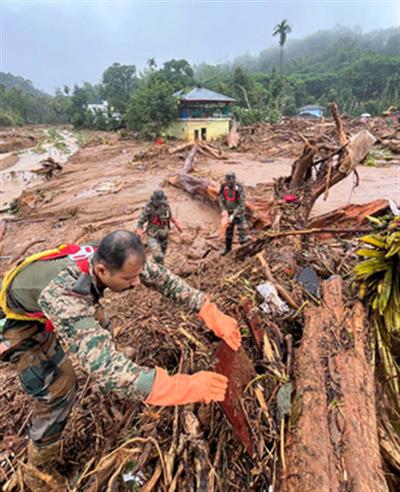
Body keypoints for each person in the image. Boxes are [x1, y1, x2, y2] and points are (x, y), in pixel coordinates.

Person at [0, 230, 240, 490]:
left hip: (56, 301)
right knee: (59, 387)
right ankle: (39, 469)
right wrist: (182, 387)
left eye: (137, 275)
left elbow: (161, 278)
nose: (137, 283)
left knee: (100, 324)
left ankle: (109, 358)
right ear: (102, 271)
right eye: (129, 278)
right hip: (18, 324)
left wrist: (208, 310)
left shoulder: (112, 256)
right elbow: (107, 370)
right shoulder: (65, 294)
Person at [135, 190, 181, 265]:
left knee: (163, 253)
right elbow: (141, 220)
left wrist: (176, 223)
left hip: (164, 233)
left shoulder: (165, 205)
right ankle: (157, 268)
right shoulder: (149, 208)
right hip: (153, 234)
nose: (160, 203)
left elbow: (170, 216)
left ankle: (159, 266)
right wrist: (139, 229)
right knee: (158, 255)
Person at [218, 172, 248, 256]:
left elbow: (241, 204)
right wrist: (223, 210)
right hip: (228, 212)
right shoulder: (223, 186)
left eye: (231, 182)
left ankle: (245, 253)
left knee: (242, 234)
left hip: (238, 214)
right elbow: (220, 198)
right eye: (228, 181)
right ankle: (227, 250)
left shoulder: (239, 188)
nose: (229, 184)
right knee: (228, 233)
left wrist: (233, 215)